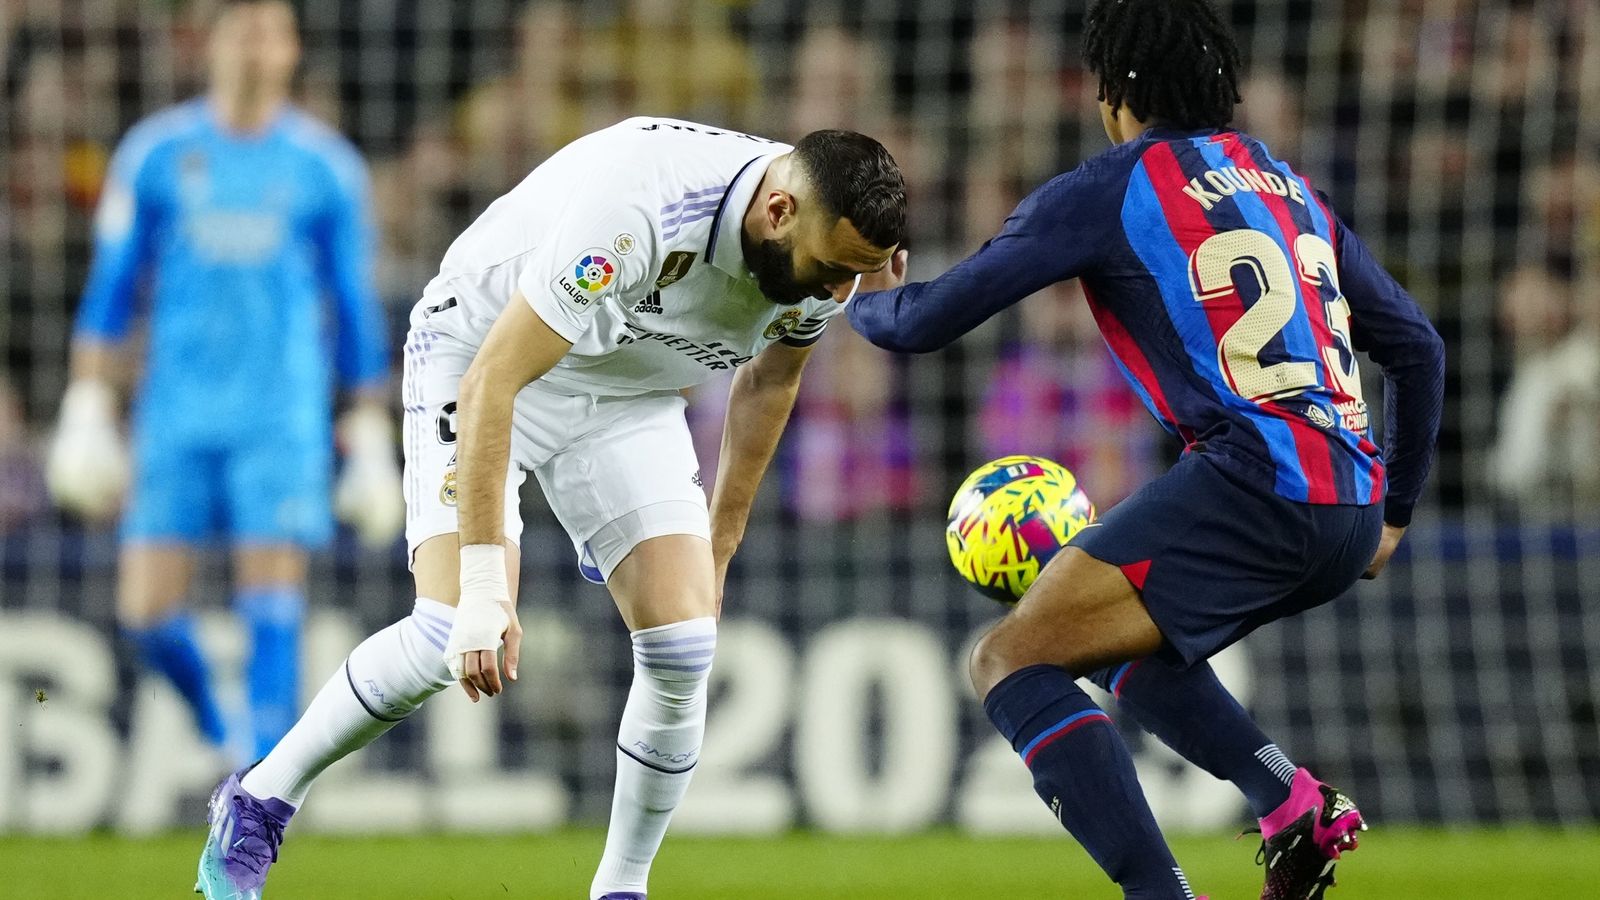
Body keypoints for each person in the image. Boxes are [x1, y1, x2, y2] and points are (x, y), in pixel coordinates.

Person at [195, 117, 907, 900]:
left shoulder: (829, 255)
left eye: (857, 276)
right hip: (485, 354)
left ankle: (621, 890)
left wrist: (720, 545)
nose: (841, 292)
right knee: (446, 631)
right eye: (834, 270)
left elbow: (770, 381)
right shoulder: (643, 208)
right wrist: (484, 586)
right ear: (777, 213)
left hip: (628, 391)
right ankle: (260, 799)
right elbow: (495, 381)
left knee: (685, 645)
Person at [847, 2, 1445, 899]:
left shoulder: (1110, 188)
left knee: (1009, 659)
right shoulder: (1286, 184)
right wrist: (1393, 513)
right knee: (1117, 641)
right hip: (1349, 506)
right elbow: (1419, 348)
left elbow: (925, 321)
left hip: (1253, 483)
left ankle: (1159, 892)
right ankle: (1289, 801)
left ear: (1116, 93)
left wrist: (860, 291)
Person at [48, 0, 399, 764]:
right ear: (211, 44)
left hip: (280, 416)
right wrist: (87, 403)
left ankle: (257, 793)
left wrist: (370, 432)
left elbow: (353, 307)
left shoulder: (324, 168)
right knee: (143, 611)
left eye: (269, 32)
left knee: (271, 604)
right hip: (174, 414)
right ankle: (223, 731)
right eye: (240, 30)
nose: (253, 47)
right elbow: (113, 287)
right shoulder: (156, 154)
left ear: (291, 51)